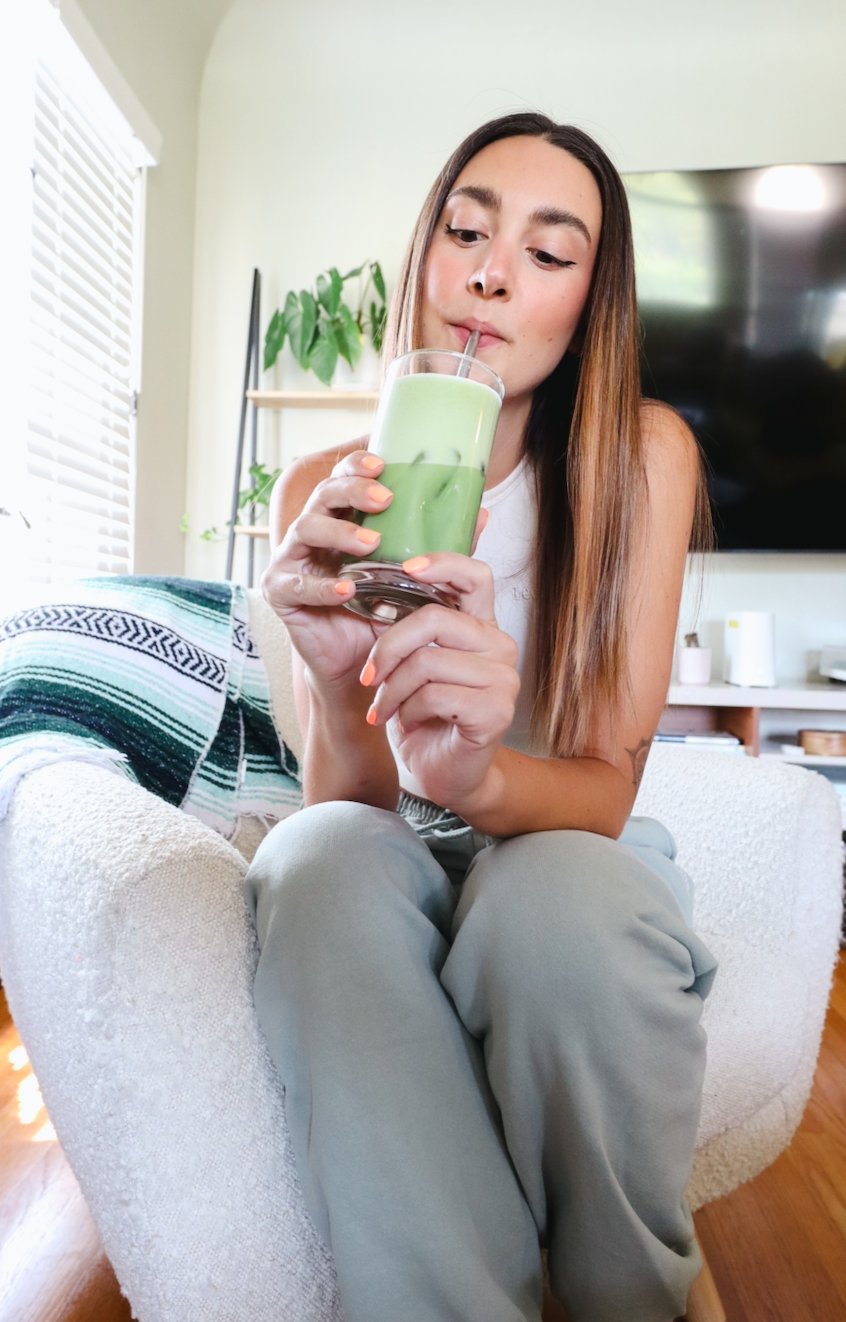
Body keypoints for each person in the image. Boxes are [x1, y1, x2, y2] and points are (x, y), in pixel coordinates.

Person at [245, 113, 717, 1322]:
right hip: (394, 844)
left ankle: (628, 1295)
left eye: (550, 255)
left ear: (587, 307)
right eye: (467, 231)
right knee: (313, 861)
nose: (494, 272)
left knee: (545, 900)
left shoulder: (640, 463)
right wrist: (339, 675)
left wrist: (478, 771)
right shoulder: (322, 490)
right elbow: (349, 810)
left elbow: (605, 784)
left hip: (561, 843)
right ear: (428, 258)